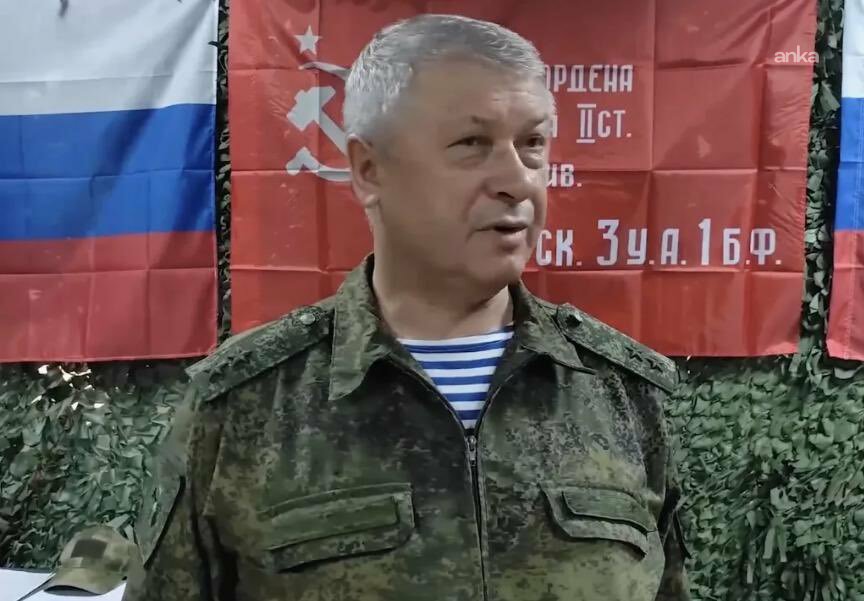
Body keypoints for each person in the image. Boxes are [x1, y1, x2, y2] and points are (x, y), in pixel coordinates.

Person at [123, 14, 690, 601]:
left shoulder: (622, 395)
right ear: (369, 170)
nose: (517, 181)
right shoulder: (244, 404)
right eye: (472, 145)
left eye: (532, 145)